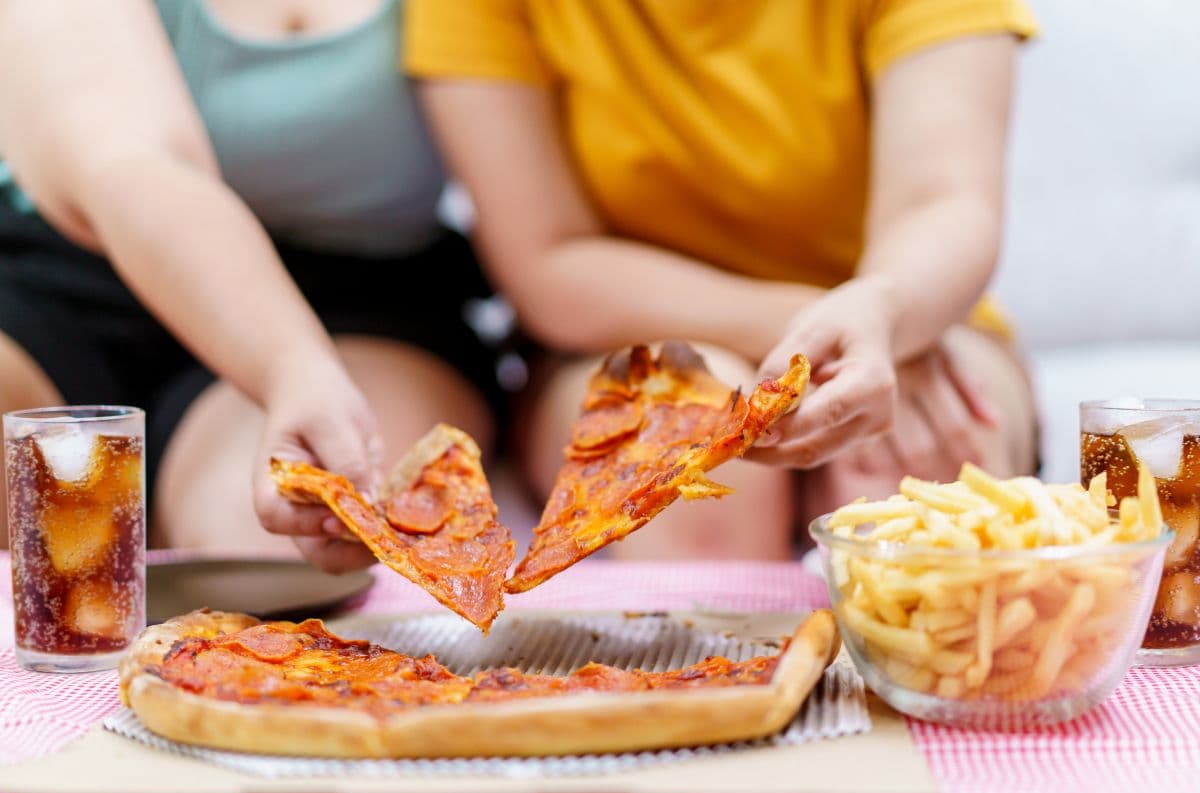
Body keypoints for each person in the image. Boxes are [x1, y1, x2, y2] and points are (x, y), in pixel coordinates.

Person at [407, 0, 1041, 559]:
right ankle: (726, 692)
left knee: (912, 486)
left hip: (910, 320)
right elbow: (549, 263)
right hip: (626, 339)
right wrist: (837, 333)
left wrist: (885, 316)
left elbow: (945, 201)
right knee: (687, 457)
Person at [0, 0, 500, 571]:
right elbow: (126, 162)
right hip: (56, 285)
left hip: (358, 306)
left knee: (271, 562)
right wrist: (291, 366)